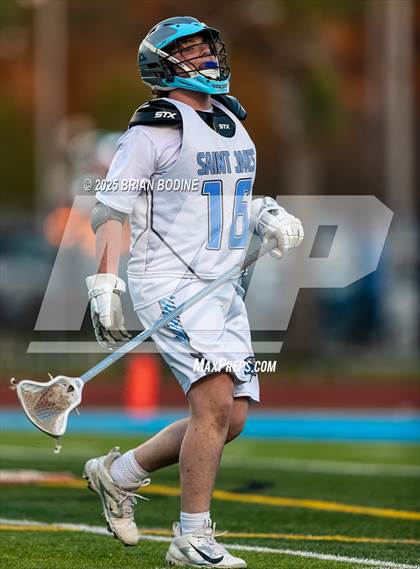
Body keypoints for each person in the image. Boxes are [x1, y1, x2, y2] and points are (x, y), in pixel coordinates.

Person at [83, 16, 304, 568]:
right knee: (213, 402)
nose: (206, 57)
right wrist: (105, 283)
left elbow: (227, 201)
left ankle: (119, 473)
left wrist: (266, 214)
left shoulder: (230, 120)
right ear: (163, 64)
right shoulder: (152, 130)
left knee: (232, 417)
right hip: (170, 281)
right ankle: (192, 537)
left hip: (222, 285)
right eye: (191, 51)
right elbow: (110, 209)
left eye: (208, 47)